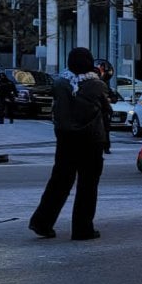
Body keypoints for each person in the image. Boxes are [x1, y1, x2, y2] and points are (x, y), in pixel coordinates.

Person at [30, 47, 112, 240]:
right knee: (87, 186)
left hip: (66, 139)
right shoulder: (97, 85)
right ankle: (82, 228)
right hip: (91, 140)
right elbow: (106, 108)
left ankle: (42, 222)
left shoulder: (59, 83)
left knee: (59, 182)